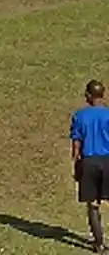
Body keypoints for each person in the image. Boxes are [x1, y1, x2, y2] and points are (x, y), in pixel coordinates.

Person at [72, 79, 109, 252]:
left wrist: (76, 163)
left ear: (88, 95)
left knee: (93, 204)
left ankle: (99, 243)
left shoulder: (80, 116)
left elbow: (76, 143)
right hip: (107, 160)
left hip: (89, 162)